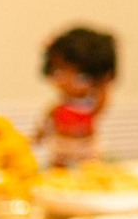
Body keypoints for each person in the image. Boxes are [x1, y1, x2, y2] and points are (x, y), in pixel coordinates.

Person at [36, 25, 117, 167]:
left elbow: (101, 106)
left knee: (90, 167)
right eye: (59, 73)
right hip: (62, 144)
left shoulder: (89, 105)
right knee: (58, 167)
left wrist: (104, 87)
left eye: (81, 77)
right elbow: (48, 119)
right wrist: (39, 135)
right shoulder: (58, 107)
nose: (68, 82)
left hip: (86, 145)